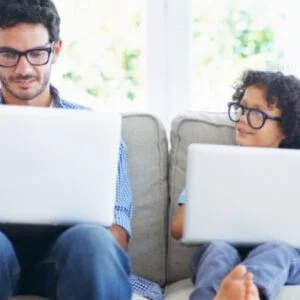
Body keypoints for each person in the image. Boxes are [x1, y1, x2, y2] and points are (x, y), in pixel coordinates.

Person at [0, 0, 163, 299]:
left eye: (36, 53)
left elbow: (116, 234)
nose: (24, 69)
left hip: (69, 260)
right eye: (9, 54)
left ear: (56, 51)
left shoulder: (95, 129)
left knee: (93, 240)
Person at [171, 70, 300, 300]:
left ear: (285, 128)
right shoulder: (213, 164)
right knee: (218, 250)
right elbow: (178, 227)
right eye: (242, 108)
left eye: (257, 113)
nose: (242, 118)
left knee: (279, 251)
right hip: (222, 249)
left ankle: (248, 294)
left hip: (280, 254)